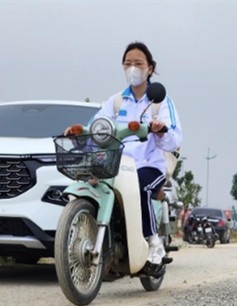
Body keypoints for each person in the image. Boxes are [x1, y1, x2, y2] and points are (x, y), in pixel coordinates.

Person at [76, 42, 183, 274]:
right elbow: (97, 124)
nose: (132, 68)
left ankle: (153, 242)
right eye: (127, 63)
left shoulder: (160, 102)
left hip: (149, 164)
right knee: (94, 186)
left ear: (149, 69)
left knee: (140, 188)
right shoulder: (116, 101)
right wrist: (80, 133)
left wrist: (160, 129)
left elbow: (175, 139)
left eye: (138, 63)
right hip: (117, 164)